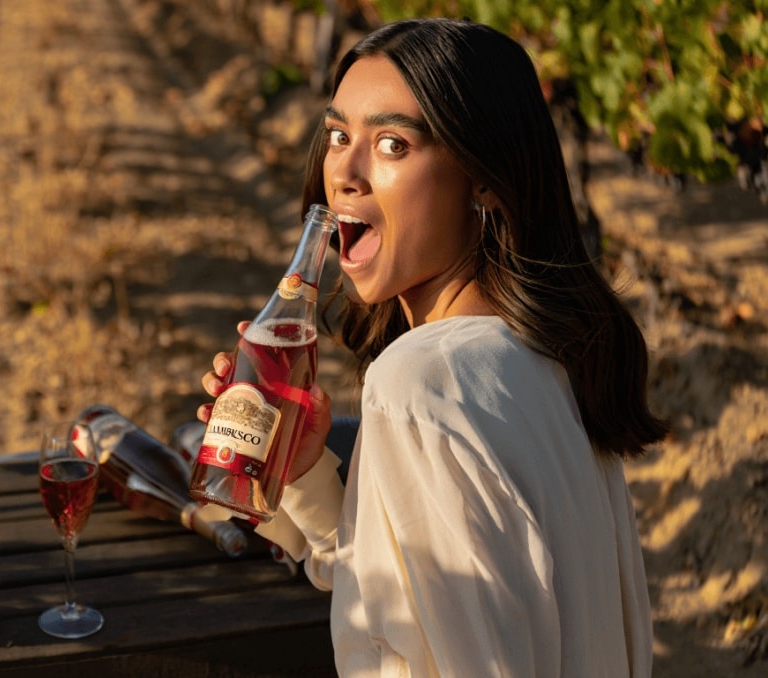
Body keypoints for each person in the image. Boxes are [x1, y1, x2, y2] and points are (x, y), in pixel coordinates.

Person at [198, 17, 669, 677]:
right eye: (338, 136)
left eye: (392, 143)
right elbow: (418, 598)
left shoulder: (417, 383)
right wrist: (305, 471)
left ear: (483, 178)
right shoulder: (554, 360)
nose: (345, 173)